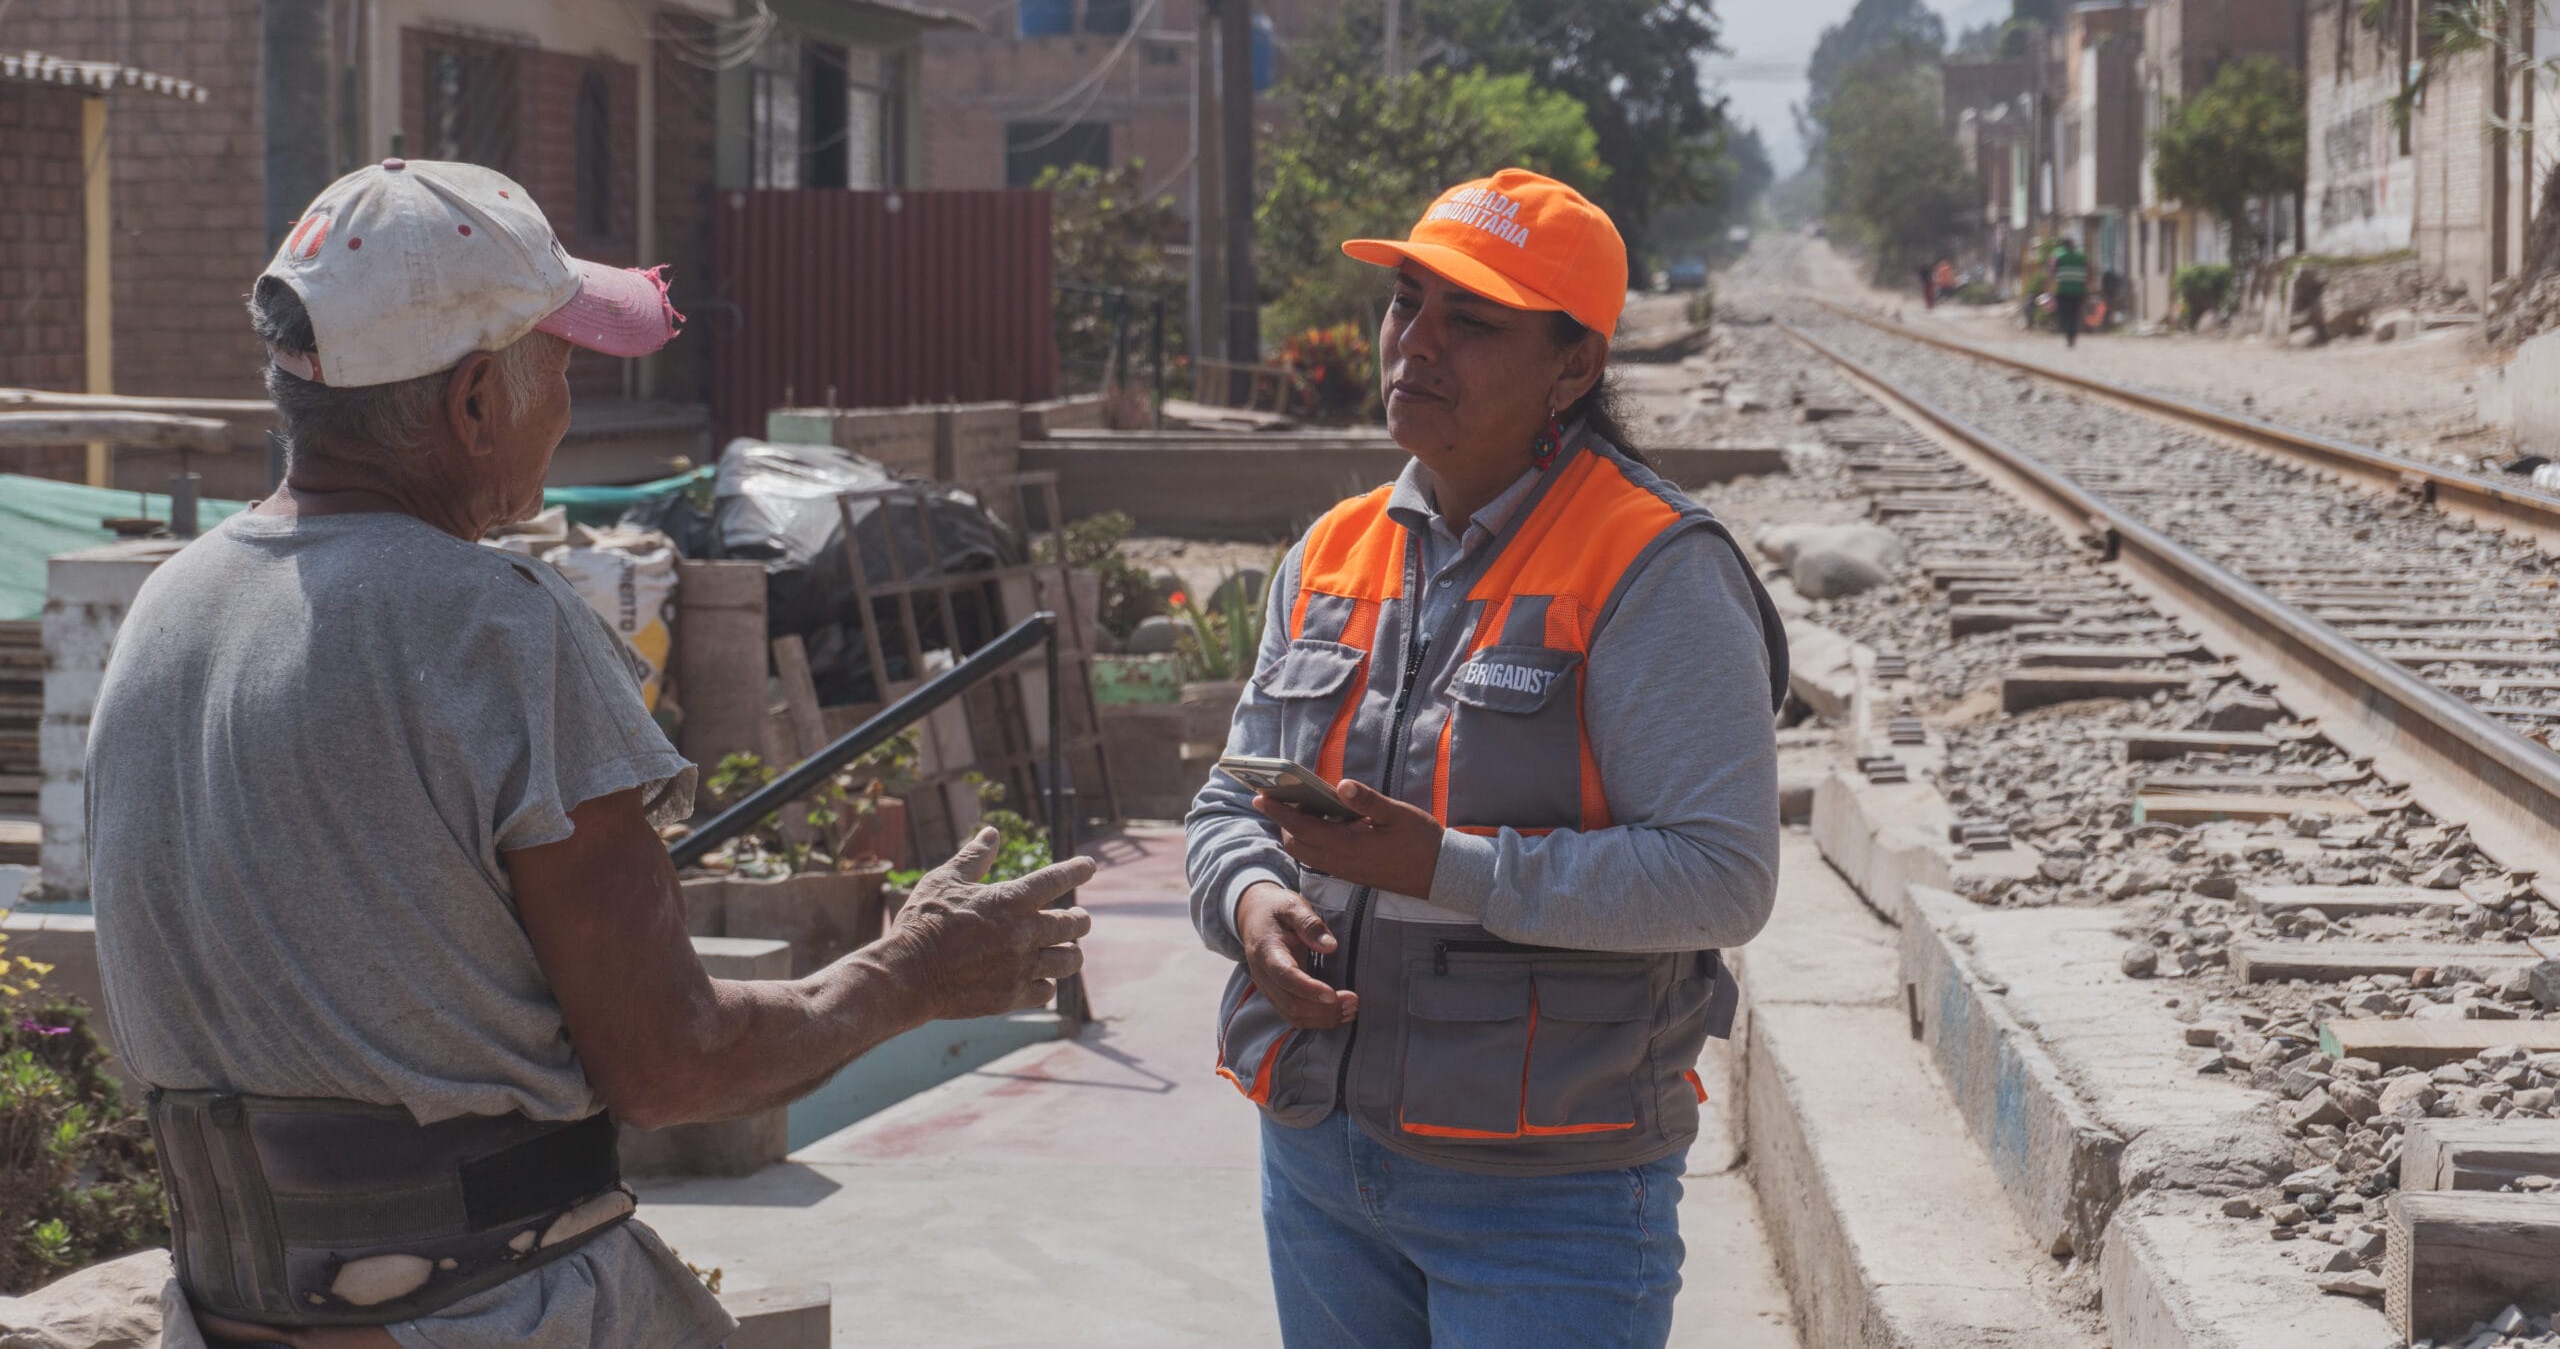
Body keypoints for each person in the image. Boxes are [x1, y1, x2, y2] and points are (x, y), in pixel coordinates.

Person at [85, 159, 1093, 1348]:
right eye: (558, 370)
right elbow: (673, 1064)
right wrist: (906, 976)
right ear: (472, 404)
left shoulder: (168, 607)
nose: (565, 411)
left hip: (226, 1313)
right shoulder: (497, 622)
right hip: (487, 1311)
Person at [1185, 169, 1787, 1349]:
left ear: (1574, 367)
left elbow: (1722, 877)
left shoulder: (1651, 569)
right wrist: (1250, 899)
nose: (1416, 344)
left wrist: (1446, 867)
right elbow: (1228, 796)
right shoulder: (1332, 551)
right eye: (1406, 303)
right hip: (1317, 1161)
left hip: (1546, 1194)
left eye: (1472, 321)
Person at [2051, 233, 2090, 347]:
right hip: (2078, 291)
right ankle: (2072, 334)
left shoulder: (2058, 256)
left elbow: (2052, 272)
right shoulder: (2081, 256)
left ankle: (2068, 333)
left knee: (2065, 314)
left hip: (2063, 291)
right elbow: (2089, 272)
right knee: (2074, 313)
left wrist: (2051, 289)